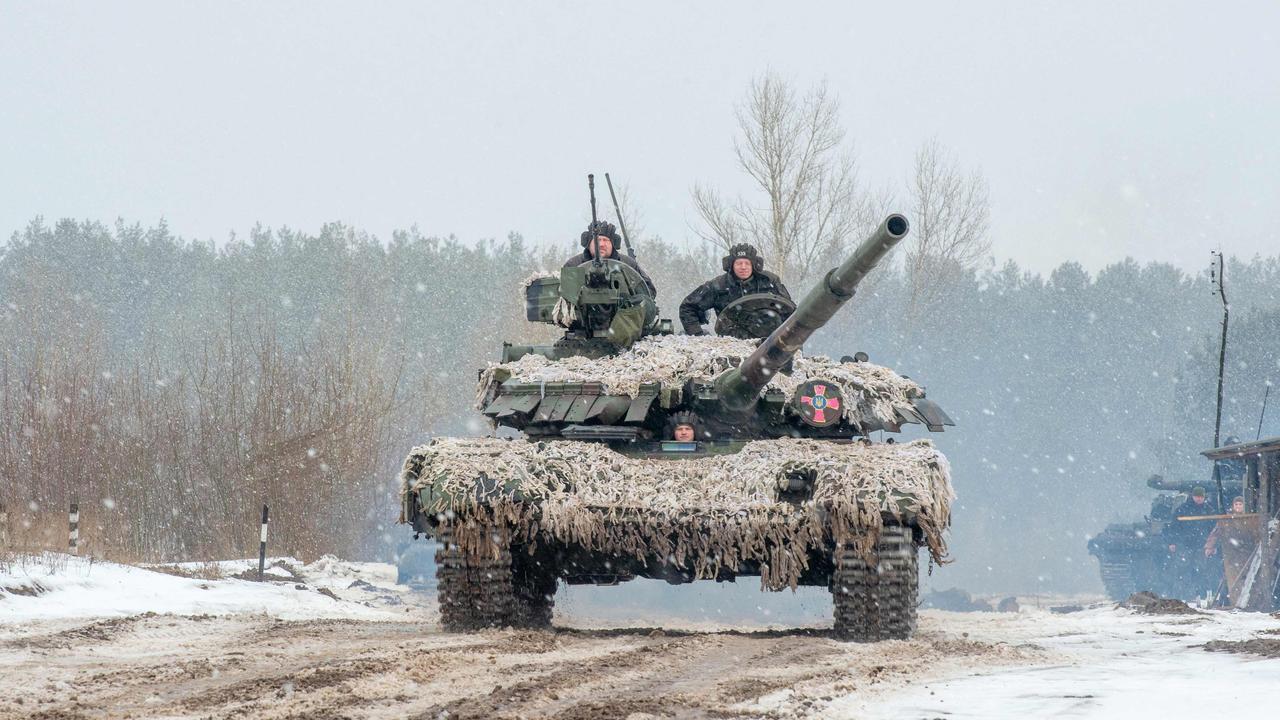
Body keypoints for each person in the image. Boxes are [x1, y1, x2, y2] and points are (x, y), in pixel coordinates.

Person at [679, 243, 792, 336]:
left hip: (770, 343)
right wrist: (698, 335)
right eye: (739, 263)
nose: (743, 267)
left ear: (754, 265)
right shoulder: (718, 286)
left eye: (747, 263)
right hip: (731, 343)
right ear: (731, 265)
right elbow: (688, 307)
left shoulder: (769, 281)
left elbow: (789, 311)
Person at [562, 220, 656, 296]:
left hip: (623, 317)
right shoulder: (574, 265)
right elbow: (562, 296)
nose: (602, 244)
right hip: (582, 318)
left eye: (606, 240)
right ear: (588, 244)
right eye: (597, 240)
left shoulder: (628, 265)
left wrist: (634, 300)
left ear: (613, 244)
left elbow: (649, 291)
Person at [1204, 495, 1259, 607]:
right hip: (1231, 554)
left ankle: (1246, 602)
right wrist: (1209, 546)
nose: (1238, 507)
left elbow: (1257, 534)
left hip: (1248, 553)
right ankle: (1228, 601)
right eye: (1236, 504)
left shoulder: (1250, 518)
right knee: (1230, 578)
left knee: (1247, 578)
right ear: (1233, 506)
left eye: (1240, 504)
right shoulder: (1227, 519)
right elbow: (1215, 533)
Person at [1166, 486, 1218, 597]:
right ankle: (1181, 596)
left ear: (1204, 497)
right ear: (1192, 496)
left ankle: (1202, 595)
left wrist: (1212, 545)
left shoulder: (1209, 510)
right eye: (1197, 496)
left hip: (1202, 545)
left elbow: (1214, 530)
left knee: (1202, 570)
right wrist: (1172, 542)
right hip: (1184, 545)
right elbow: (1173, 527)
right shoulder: (1182, 509)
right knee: (1182, 570)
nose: (1199, 499)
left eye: (1201, 497)